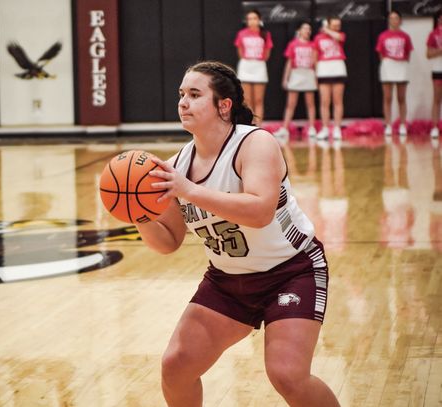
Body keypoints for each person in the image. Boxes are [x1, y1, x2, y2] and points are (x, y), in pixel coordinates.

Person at [136, 61, 340, 407]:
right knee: (176, 366)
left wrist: (189, 191)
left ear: (224, 105)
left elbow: (260, 212)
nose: (183, 102)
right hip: (228, 282)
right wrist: (139, 215)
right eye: (181, 94)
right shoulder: (178, 166)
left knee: (288, 375)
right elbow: (168, 241)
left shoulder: (255, 144)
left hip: (291, 273)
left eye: (195, 94)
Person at [275, 22, 318, 139]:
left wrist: (316, 77)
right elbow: (289, 63)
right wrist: (285, 78)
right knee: (290, 104)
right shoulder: (293, 44)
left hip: (308, 73)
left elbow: (315, 63)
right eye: (305, 28)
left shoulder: (313, 45)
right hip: (296, 74)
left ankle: (312, 128)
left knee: (310, 104)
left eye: (309, 29)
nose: (307, 31)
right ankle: (284, 128)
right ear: (299, 30)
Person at [376, 11, 414, 138]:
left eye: (396, 18)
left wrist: (401, 61)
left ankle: (402, 124)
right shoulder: (383, 35)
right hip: (387, 65)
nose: (393, 20)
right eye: (391, 18)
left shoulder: (405, 36)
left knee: (401, 97)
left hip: (401, 65)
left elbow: (408, 52)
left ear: (400, 20)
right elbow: (380, 53)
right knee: (387, 98)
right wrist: (388, 62)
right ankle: (388, 124)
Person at [234, 9, 273, 125]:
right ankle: (249, 125)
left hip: (259, 66)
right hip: (246, 66)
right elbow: (240, 52)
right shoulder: (241, 34)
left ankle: (259, 126)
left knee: (259, 100)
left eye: (254, 18)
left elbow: (267, 53)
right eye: (249, 19)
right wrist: (248, 60)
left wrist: (257, 60)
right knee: (247, 100)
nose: (252, 21)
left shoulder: (265, 34)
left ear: (259, 20)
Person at [313, 16, 347, 140]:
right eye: (334, 25)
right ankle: (325, 129)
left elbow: (339, 37)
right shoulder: (318, 38)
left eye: (339, 25)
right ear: (329, 24)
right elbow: (315, 57)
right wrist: (316, 74)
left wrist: (327, 30)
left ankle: (337, 128)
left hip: (338, 69)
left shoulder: (341, 35)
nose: (337, 27)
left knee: (337, 101)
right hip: (323, 70)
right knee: (325, 101)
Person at [427, 10, 442, 139]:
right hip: (438, 69)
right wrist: (440, 50)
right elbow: (428, 55)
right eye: (440, 19)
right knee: (437, 99)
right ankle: (435, 127)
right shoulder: (433, 34)